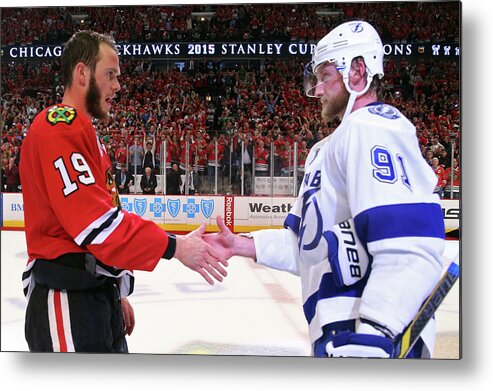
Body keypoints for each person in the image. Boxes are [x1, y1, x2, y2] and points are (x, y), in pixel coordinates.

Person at [204, 20, 445, 358]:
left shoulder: (372, 127)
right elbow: (308, 248)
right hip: (339, 330)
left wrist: (378, 329)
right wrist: (243, 244)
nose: (316, 89)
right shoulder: (326, 148)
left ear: (358, 71)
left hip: (368, 332)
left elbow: (408, 243)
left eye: (325, 76)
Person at [19, 30, 228, 353]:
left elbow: (110, 217)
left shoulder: (88, 135)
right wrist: (176, 247)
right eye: (110, 74)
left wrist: (117, 290)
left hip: (95, 296)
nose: (117, 86)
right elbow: (96, 224)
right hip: (66, 298)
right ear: (82, 73)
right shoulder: (58, 126)